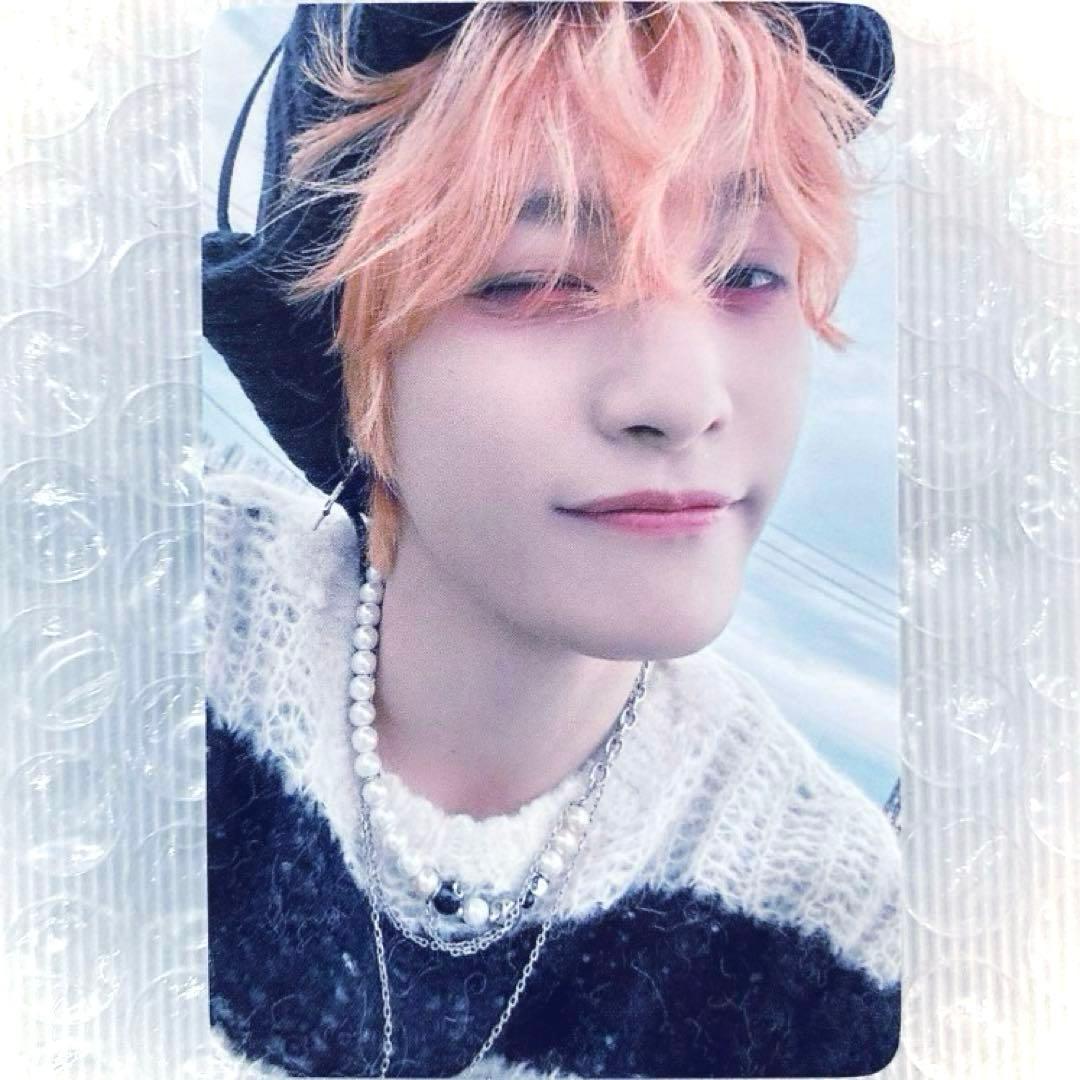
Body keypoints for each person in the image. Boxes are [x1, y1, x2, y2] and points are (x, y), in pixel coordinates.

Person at [201, 3, 900, 1077]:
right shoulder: (137, 620)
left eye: (749, 274)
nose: (682, 399)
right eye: (537, 278)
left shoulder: (832, 933)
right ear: (348, 342)